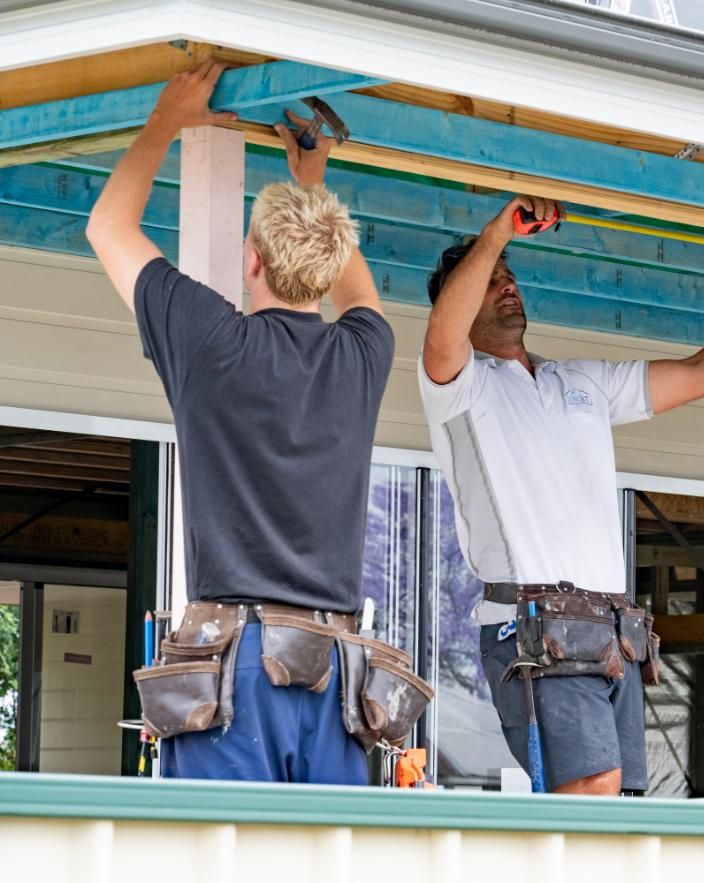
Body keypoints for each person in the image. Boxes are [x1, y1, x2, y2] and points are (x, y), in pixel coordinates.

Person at [418, 194, 704, 795]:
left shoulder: (580, 382)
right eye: (492, 281)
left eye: (512, 279)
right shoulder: (459, 387)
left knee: (620, 802)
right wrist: (498, 234)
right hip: (534, 626)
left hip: (612, 633)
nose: (508, 288)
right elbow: (444, 333)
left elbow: (702, 374)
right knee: (589, 794)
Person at [86, 64, 412, 783]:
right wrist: (313, 182)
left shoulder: (210, 342)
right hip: (334, 673)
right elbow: (356, 291)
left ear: (250, 259)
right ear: (324, 273)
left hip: (235, 668)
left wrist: (166, 119)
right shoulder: (364, 354)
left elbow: (107, 225)